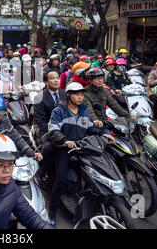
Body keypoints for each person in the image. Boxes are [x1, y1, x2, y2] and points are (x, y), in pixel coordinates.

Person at [47, 82, 115, 225]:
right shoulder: (59, 111)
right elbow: (53, 131)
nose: (80, 97)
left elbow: (89, 127)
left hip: (82, 148)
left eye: (82, 94)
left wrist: (104, 134)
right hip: (64, 149)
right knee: (60, 180)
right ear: (68, 95)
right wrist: (65, 141)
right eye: (76, 94)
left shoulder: (84, 110)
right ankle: (51, 212)